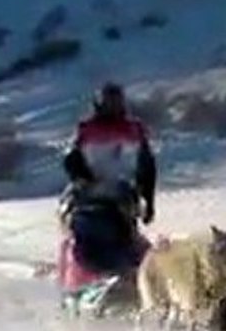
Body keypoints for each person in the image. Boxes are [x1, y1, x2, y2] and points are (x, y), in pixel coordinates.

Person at [62, 82, 157, 225]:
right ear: (100, 103)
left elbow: (148, 167)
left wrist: (148, 202)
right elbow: (71, 159)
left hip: (123, 196)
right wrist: (83, 178)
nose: (113, 106)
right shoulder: (87, 129)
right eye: (109, 102)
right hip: (90, 194)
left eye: (116, 102)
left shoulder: (134, 129)